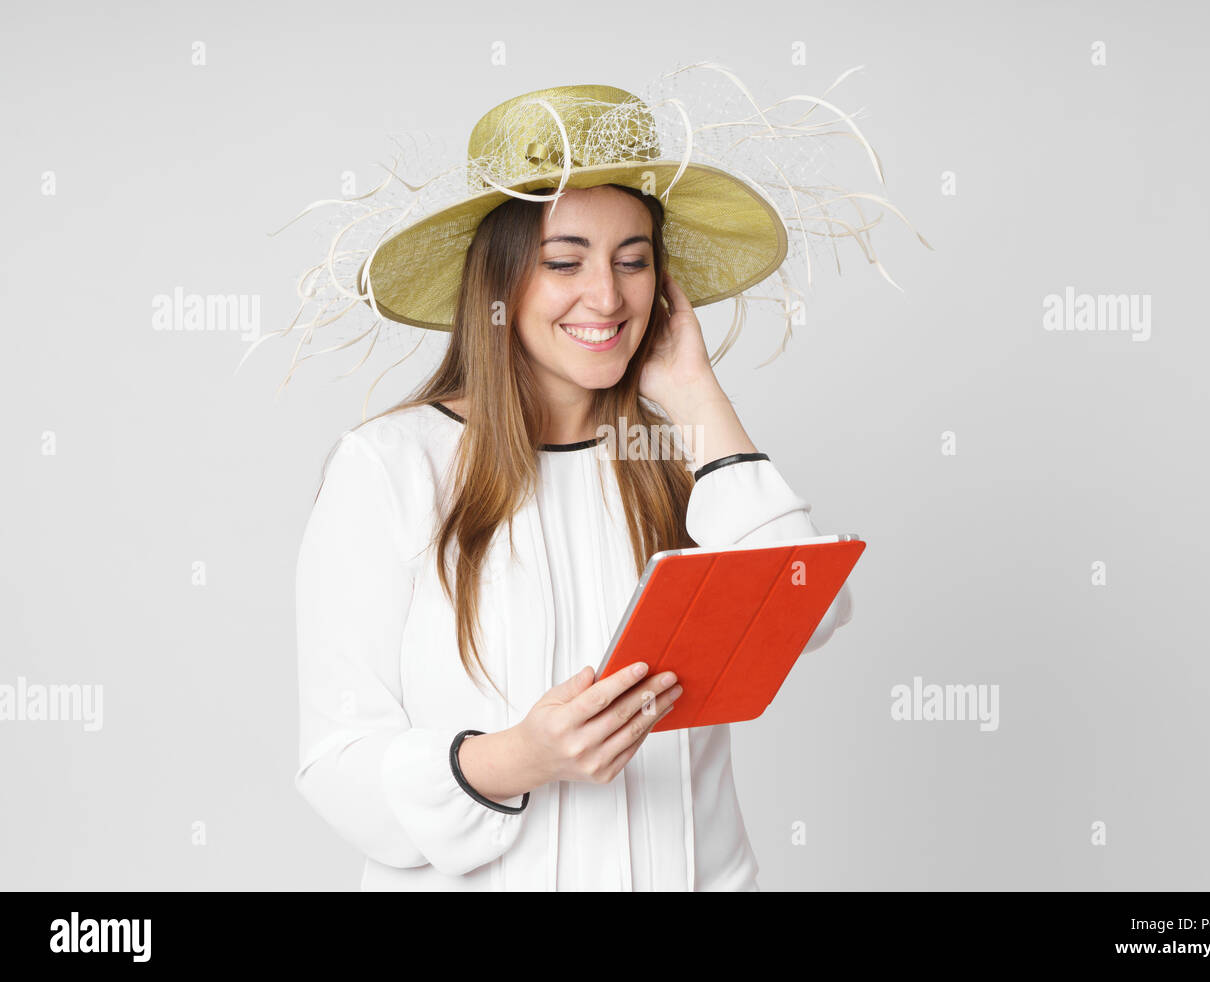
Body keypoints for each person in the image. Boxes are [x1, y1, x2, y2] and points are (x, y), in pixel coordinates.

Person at [288, 80, 883, 891]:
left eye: (633, 262)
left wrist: (699, 395)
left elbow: (810, 608)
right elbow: (336, 763)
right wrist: (514, 760)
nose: (606, 297)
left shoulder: (679, 455)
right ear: (497, 285)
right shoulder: (389, 467)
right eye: (564, 261)